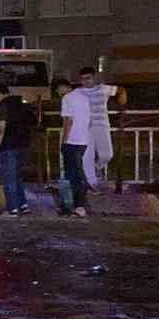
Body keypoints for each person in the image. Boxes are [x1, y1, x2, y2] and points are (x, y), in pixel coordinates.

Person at [75, 67, 126, 188]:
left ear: (94, 77)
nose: (85, 81)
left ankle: (96, 169)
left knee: (107, 154)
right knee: (87, 156)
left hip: (102, 126)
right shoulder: (78, 92)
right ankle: (92, 183)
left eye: (88, 78)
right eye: (83, 79)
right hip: (85, 128)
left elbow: (121, 90)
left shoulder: (103, 88)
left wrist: (122, 102)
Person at [0, 84, 34, 215]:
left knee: (8, 177)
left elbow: (0, 129)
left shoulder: (3, 106)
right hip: (24, 145)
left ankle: (12, 208)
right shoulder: (23, 105)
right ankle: (23, 205)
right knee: (18, 177)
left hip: (8, 145)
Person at [59, 76, 92, 217]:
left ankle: (78, 206)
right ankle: (76, 204)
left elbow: (68, 121)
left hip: (71, 141)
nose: (58, 93)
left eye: (58, 90)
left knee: (73, 175)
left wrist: (64, 141)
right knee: (77, 172)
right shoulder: (84, 98)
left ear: (63, 87)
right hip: (83, 140)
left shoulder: (67, 98)